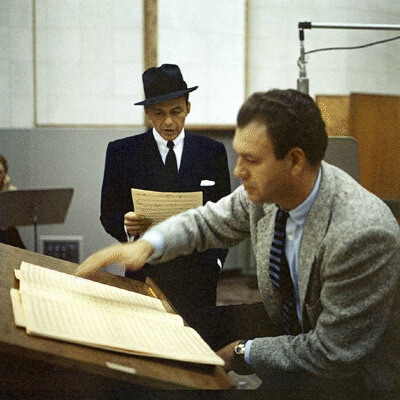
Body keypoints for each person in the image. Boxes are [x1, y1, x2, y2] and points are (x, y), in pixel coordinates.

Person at [77, 89, 400, 392]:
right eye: (238, 156)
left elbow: (332, 353)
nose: (237, 170)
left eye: (251, 160)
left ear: (295, 160)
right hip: (293, 323)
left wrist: (242, 351)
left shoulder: (362, 233)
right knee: (178, 328)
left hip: (353, 379)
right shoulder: (268, 191)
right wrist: (147, 244)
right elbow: (207, 221)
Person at [99, 64, 231, 318]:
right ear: (147, 113)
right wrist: (126, 225)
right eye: (159, 113)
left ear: (188, 109)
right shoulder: (121, 152)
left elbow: (224, 213)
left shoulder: (211, 152)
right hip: (146, 270)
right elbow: (108, 212)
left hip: (198, 274)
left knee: (197, 340)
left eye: (176, 111)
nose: (168, 121)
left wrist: (215, 262)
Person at [0, 154, 25, 249]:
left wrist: (5, 192)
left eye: (0, 172)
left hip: (8, 234)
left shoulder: (11, 190)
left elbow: (9, 222)